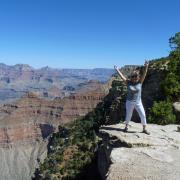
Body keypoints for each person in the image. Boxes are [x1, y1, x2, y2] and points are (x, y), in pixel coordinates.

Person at [114, 61, 150, 135]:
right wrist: (117, 69)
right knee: (129, 115)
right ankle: (126, 127)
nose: (134, 78)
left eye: (136, 76)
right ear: (131, 77)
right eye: (133, 76)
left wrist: (146, 66)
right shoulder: (128, 82)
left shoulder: (140, 82)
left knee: (142, 114)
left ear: (138, 76)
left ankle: (144, 129)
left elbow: (144, 74)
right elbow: (122, 77)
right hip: (129, 102)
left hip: (138, 102)